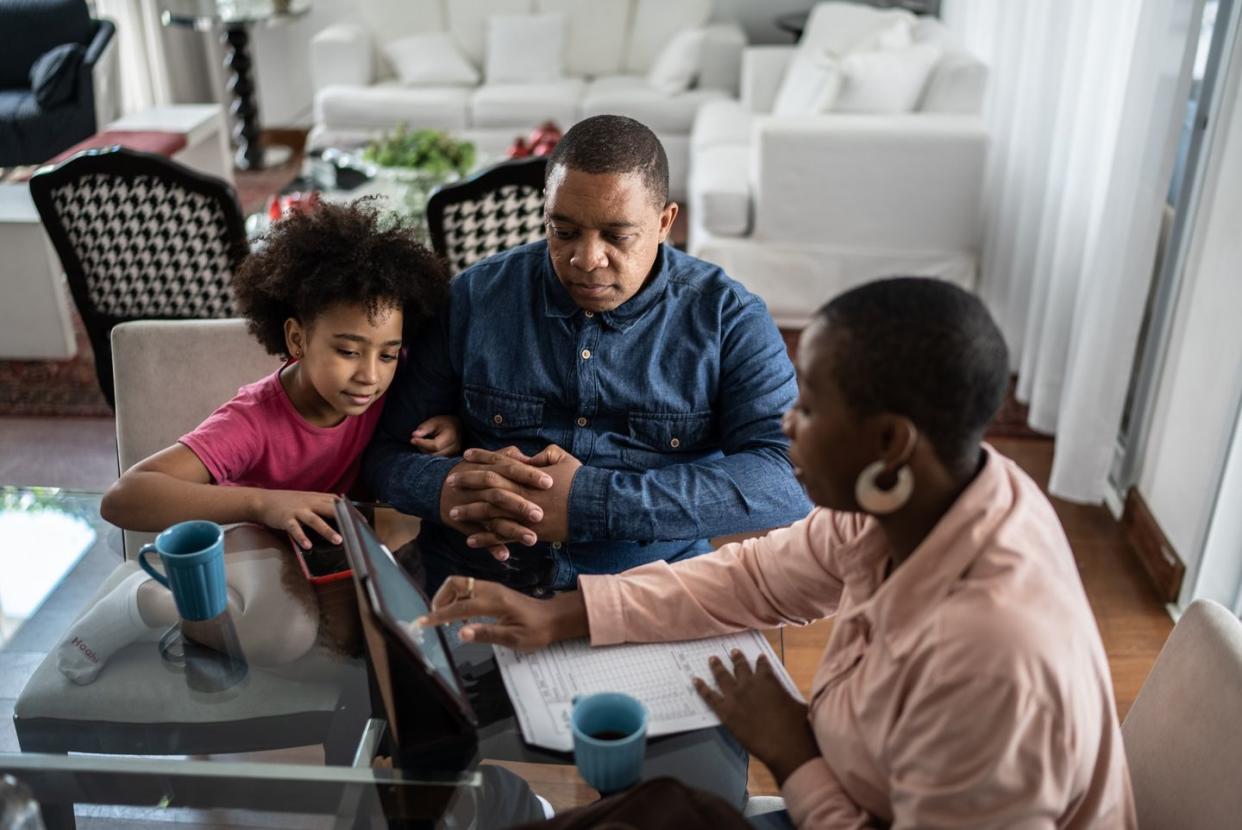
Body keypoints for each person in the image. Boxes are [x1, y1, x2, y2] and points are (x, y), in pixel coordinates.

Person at [419, 278, 1137, 828]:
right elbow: (757, 577)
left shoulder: (994, 663)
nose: (787, 426)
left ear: (890, 443)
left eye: (812, 407)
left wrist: (792, 751)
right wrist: (562, 615)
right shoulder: (925, 497)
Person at [364, 114, 811, 595]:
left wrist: (591, 503)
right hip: (472, 573)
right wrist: (445, 486)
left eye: (617, 237)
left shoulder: (730, 318)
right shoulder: (473, 298)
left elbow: (787, 476)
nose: (585, 259)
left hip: (653, 587)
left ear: (664, 223)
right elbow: (381, 453)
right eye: (564, 231)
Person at [59, 201, 455, 684]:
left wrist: (450, 426)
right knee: (283, 639)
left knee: (379, 639)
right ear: (297, 338)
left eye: (388, 354)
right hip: (250, 540)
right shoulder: (252, 419)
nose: (370, 375)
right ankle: (144, 603)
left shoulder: (386, 385)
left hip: (320, 547)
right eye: (348, 351)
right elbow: (123, 499)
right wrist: (266, 503)